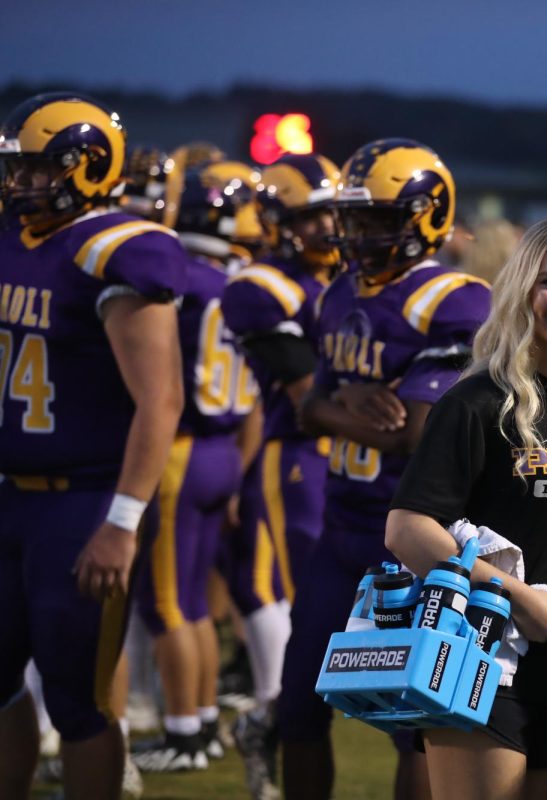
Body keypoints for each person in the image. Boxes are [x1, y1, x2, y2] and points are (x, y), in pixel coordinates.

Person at [280, 138, 490, 800]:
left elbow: (414, 435)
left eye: (378, 218)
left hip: (410, 538)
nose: (360, 233)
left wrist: (334, 404)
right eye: (356, 217)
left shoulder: (454, 299)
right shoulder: (340, 291)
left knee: (414, 722)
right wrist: (347, 403)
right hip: (338, 528)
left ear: (427, 215)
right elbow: (309, 410)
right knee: (296, 711)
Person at [386, 216, 547, 800]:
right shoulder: (476, 401)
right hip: (474, 650)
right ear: (522, 291)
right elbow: (407, 529)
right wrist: (517, 599)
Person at [0, 92, 188, 800]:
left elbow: (160, 400)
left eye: (35, 170)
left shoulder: (117, 251)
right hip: (12, 494)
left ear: (85, 169)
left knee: (78, 701)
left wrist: (121, 522)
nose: (18, 184)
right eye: (13, 170)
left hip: (87, 501)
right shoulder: (12, 238)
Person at [130, 159, 263, 774]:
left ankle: (184, 733)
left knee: (167, 605)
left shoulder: (180, 278)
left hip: (182, 449)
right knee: (194, 602)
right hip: (225, 447)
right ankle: (204, 721)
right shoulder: (240, 280)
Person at [220, 152, 342, 800]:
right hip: (301, 455)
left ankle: (269, 719)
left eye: (334, 212)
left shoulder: (363, 276)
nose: (328, 227)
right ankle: (273, 716)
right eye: (311, 216)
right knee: (320, 616)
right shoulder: (260, 286)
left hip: (373, 459)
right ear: (278, 221)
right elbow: (307, 390)